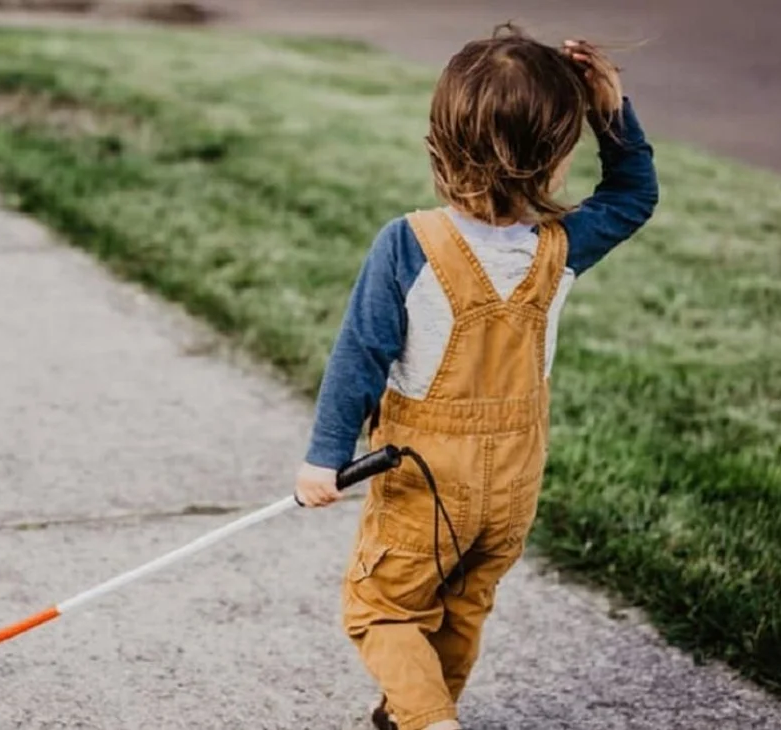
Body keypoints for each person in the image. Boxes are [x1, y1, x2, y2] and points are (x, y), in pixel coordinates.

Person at [293, 25, 659, 730]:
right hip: (514, 479)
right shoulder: (561, 247)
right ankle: (416, 713)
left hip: (426, 476)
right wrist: (610, 111)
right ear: (555, 163)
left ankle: (432, 721)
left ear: (439, 143)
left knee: (383, 608)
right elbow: (633, 193)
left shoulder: (408, 244)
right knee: (460, 606)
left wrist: (325, 458)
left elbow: (359, 355)